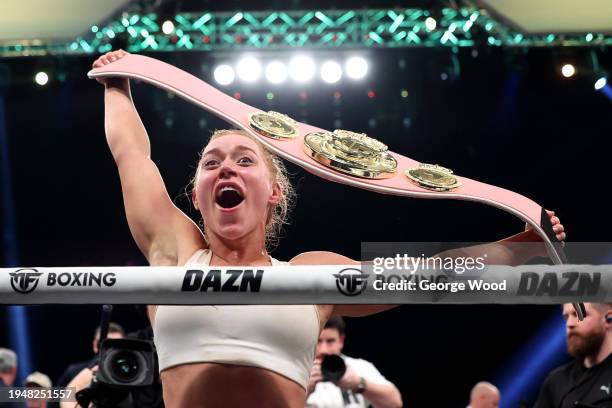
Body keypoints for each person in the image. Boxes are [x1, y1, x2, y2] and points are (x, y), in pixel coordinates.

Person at [90, 49, 566, 408]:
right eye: (212, 163)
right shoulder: (173, 252)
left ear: (274, 192)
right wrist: (117, 83)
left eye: (244, 160)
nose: (226, 169)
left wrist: (521, 248)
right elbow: (132, 155)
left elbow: (428, 279)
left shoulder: (309, 276)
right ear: (195, 196)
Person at [306, 316, 402, 408]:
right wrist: (305, 390)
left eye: (330, 341)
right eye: (318, 341)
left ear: (341, 341)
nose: (324, 350)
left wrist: (359, 384)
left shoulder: (358, 367)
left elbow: (395, 403)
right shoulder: (299, 371)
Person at [533, 303, 612, 408]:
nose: (569, 324)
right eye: (566, 317)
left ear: (609, 319)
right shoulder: (557, 381)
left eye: (577, 314)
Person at [56, 323, 125, 387]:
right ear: (95, 345)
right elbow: (54, 397)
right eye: (105, 344)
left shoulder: (129, 373)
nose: (110, 349)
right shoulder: (74, 371)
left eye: (116, 344)